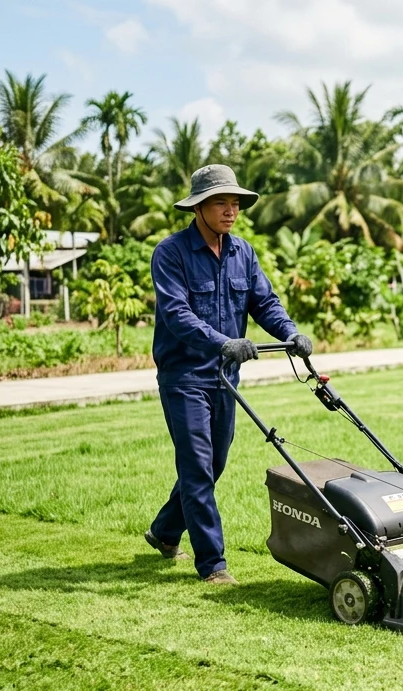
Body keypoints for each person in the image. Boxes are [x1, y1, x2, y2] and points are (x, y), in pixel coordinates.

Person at [143, 164, 313, 585]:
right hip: (184, 377)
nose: (231, 211)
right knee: (198, 467)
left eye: (235, 203)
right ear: (199, 206)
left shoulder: (242, 253)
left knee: (213, 463)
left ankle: (164, 532)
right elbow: (177, 314)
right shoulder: (171, 253)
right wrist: (222, 342)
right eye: (222, 202)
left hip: (225, 377)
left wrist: (290, 331)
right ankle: (213, 565)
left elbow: (265, 302)